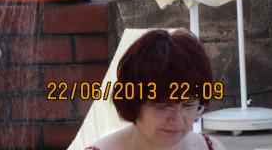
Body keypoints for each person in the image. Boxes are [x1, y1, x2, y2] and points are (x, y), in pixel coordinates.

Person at [86, 29, 227, 150]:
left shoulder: (212, 147)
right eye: (163, 107)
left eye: (189, 106)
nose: (177, 121)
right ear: (132, 102)